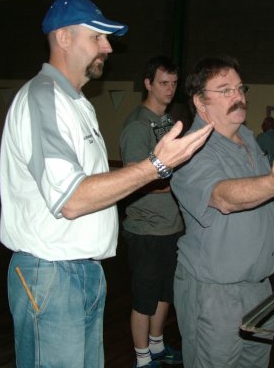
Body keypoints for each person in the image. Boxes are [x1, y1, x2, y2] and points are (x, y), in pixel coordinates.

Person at [0, 0, 213, 368]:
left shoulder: (76, 103)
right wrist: (157, 165)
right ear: (63, 38)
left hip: (81, 271)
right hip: (51, 272)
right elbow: (71, 199)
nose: (108, 47)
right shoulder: (43, 98)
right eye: (98, 36)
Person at [170, 55, 274, 368]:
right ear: (200, 102)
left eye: (240, 88)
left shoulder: (249, 140)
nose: (238, 96)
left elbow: (261, 202)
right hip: (215, 293)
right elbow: (224, 196)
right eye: (225, 90)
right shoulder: (189, 149)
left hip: (260, 288)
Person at [120, 56, 184, 368]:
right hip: (145, 230)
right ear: (148, 84)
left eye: (173, 83)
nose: (170, 89)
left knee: (164, 294)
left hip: (170, 228)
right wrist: (179, 187)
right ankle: (143, 359)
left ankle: (157, 347)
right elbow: (135, 180)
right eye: (163, 83)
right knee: (144, 299)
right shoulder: (137, 126)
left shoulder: (170, 124)